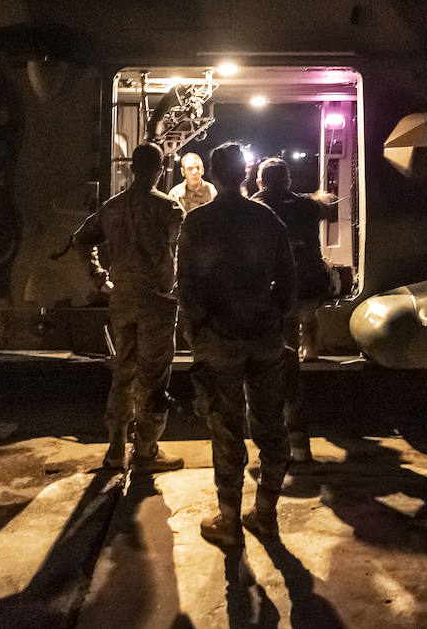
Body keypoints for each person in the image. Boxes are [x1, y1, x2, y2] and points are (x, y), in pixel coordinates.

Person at [177, 141, 297, 547]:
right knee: (271, 428)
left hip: (220, 341)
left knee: (227, 432)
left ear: (212, 174)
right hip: (264, 338)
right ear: (246, 174)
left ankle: (228, 520)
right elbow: (289, 282)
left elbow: (187, 289)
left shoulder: (197, 223)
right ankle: (265, 515)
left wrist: (198, 334)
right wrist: (275, 321)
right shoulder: (267, 220)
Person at [73, 141, 186, 473]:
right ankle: (147, 451)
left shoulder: (112, 207)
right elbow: (185, 251)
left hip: (121, 298)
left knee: (123, 371)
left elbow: (81, 240)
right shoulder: (169, 209)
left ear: (132, 168)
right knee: (154, 375)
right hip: (158, 301)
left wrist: (99, 278)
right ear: (160, 170)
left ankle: (115, 449)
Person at [250, 157, 339, 463]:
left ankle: (279, 443)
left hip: (277, 291)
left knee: (281, 367)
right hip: (311, 285)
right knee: (307, 315)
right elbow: (327, 204)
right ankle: (300, 445)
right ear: (287, 181)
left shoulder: (255, 207)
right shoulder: (305, 205)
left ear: (260, 182)